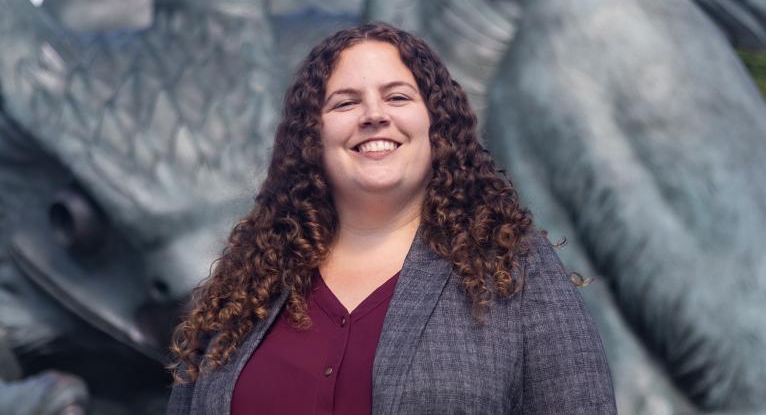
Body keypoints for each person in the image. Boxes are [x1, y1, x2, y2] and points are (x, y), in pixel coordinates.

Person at [166, 22, 617, 414]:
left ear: (435, 124)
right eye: (345, 103)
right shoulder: (245, 288)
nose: (374, 116)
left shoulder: (514, 269)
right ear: (312, 138)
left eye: (397, 97)